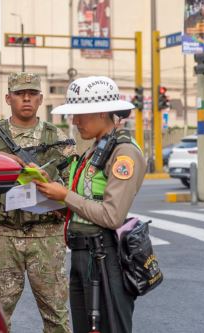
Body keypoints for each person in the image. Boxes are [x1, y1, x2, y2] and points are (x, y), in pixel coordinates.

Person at [33, 76, 147, 333]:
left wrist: (64, 195)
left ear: (102, 112)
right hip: (83, 256)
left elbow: (112, 216)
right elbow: (82, 202)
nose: (74, 121)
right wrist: (45, 189)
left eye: (80, 114)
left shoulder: (123, 153)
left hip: (104, 258)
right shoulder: (94, 150)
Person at [0, 72, 74, 333]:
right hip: (3, 236)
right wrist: (2, 161)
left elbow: (75, 187)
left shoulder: (57, 138)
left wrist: (49, 185)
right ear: (8, 98)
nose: (26, 98)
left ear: (41, 99)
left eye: (31, 94)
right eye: (19, 94)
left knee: (56, 316)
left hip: (47, 235)